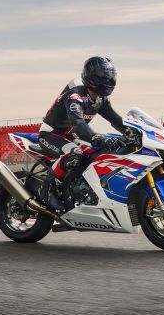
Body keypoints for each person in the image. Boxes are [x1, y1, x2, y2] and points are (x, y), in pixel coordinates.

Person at [36, 56, 130, 211]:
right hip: (51, 135)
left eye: (111, 76)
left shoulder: (101, 99)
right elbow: (79, 124)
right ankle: (47, 190)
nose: (109, 79)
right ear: (92, 77)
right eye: (104, 76)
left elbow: (116, 119)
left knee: (100, 152)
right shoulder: (75, 96)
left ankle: (78, 190)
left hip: (71, 136)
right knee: (75, 153)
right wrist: (97, 137)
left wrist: (134, 132)